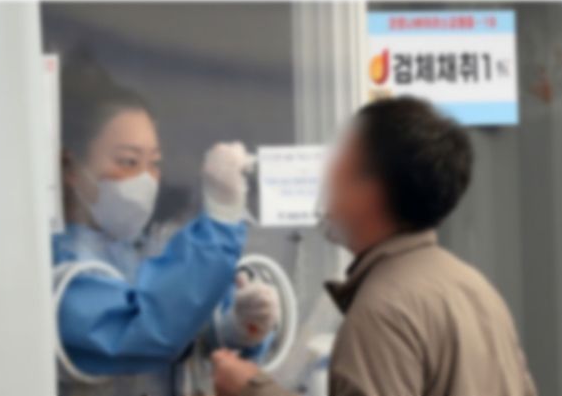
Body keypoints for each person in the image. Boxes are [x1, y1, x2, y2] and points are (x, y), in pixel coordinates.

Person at [212, 97, 537, 396]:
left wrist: (251, 390)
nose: (327, 174)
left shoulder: (384, 310)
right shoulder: (477, 290)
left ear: (371, 190)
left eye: (340, 158)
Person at [52, 52, 279, 396]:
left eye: (154, 164)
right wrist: (220, 221)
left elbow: (168, 320)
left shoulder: (129, 253)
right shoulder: (63, 272)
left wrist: (229, 330)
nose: (145, 180)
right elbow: (146, 329)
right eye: (128, 161)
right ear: (70, 167)